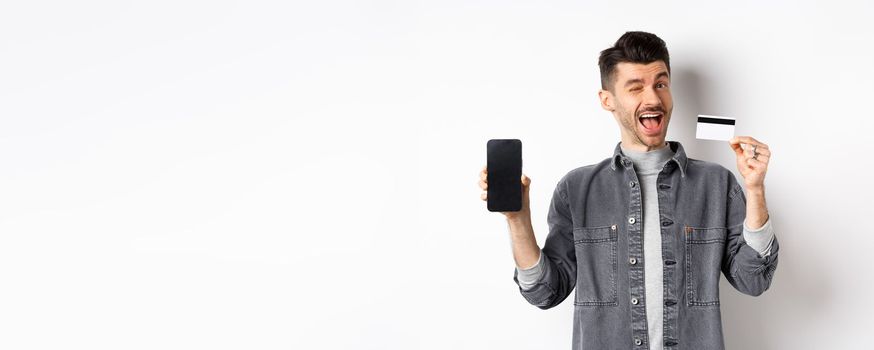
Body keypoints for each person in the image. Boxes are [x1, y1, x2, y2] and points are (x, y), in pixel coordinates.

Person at [477, 31, 778, 350]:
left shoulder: (716, 183)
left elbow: (753, 279)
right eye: (636, 88)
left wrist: (755, 188)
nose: (653, 99)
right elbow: (545, 292)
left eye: (661, 84)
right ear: (608, 100)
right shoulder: (577, 189)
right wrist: (517, 218)